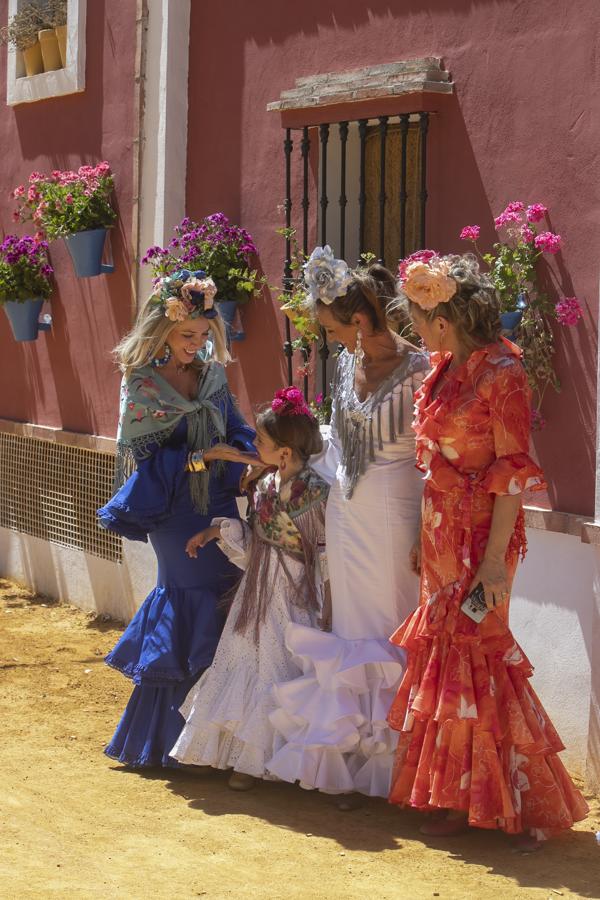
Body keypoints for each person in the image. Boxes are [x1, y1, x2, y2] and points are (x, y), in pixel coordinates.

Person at [385, 251, 588, 846]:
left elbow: (514, 473)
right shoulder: (446, 366)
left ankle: (510, 799)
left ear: (442, 319)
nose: (415, 334)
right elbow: (432, 459)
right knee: (445, 652)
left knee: (480, 652)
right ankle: (455, 793)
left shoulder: (504, 372)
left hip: (481, 536)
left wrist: (495, 559)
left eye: (417, 321)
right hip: (443, 530)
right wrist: (422, 539)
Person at [267, 246, 429, 806]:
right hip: (346, 509)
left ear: (360, 320)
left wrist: (428, 528)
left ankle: (398, 764)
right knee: (352, 621)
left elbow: (433, 456)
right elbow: (335, 442)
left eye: (333, 329)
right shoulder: (342, 365)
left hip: (396, 512)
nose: (330, 339)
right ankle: (353, 753)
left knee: (392, 619)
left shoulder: (422, 369)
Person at [98, 269, 256, 768]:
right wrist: (199, 458)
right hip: (172, 509)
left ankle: (217, 745)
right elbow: (141, 458)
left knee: (224, 603)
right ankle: (165, 743)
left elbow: (235, 427)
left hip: (218, 506)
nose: (196, 344)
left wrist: (252, 456)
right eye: (188, 335)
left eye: (204, 336)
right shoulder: (140, 383)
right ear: (162, 330)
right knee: (186, 600)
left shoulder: (213, 375)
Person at [170, 387, 329, 791]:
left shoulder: (312, 492)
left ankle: (256, 762)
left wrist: (327, 598)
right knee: (242, 658)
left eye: (260, 441)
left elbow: (323, 549)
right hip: (257, 588)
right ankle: (222, 752)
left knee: (276, 665)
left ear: (285, 452)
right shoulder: (263, 484)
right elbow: (259, 539)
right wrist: (218, 530)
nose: (252, 446)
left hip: (291, 592)